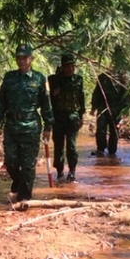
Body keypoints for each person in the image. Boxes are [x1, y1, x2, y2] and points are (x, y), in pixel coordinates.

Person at [0, 42, 51, 202]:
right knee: (11, 162)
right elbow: (1, 101)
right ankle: (18, 182)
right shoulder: (9, 78)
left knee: (28, 165)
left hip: (31, 126)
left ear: (31, 59)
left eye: (25, 58)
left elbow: (46, 104)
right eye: (19, 58)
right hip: (11, 126)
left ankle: (24, 198)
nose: (22, 61)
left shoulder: (39, 79)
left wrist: (48, 126)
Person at [48, 51, 85, 182]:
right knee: (58, 146)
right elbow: (48, 99)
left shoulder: (78, 80)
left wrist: (82, 116)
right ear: (62, 67)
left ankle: (72, 171)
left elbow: (81, 98)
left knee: (72, 146)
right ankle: (59, 171)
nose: (70, 69)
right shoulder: (54, 80)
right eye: (67, 66)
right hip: (58, 117)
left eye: (72, 66)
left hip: (72, 117)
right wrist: (54, 92)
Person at [91, 70, 130, 156]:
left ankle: (112, 151)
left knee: (114, 131)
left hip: (116, 110)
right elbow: (97, 93)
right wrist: (93, 107)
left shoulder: (122, 78)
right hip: (103, 108)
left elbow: (126, 95)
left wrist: (125, 110)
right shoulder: (102, 77)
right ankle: (100, 149)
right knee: (100, 129)